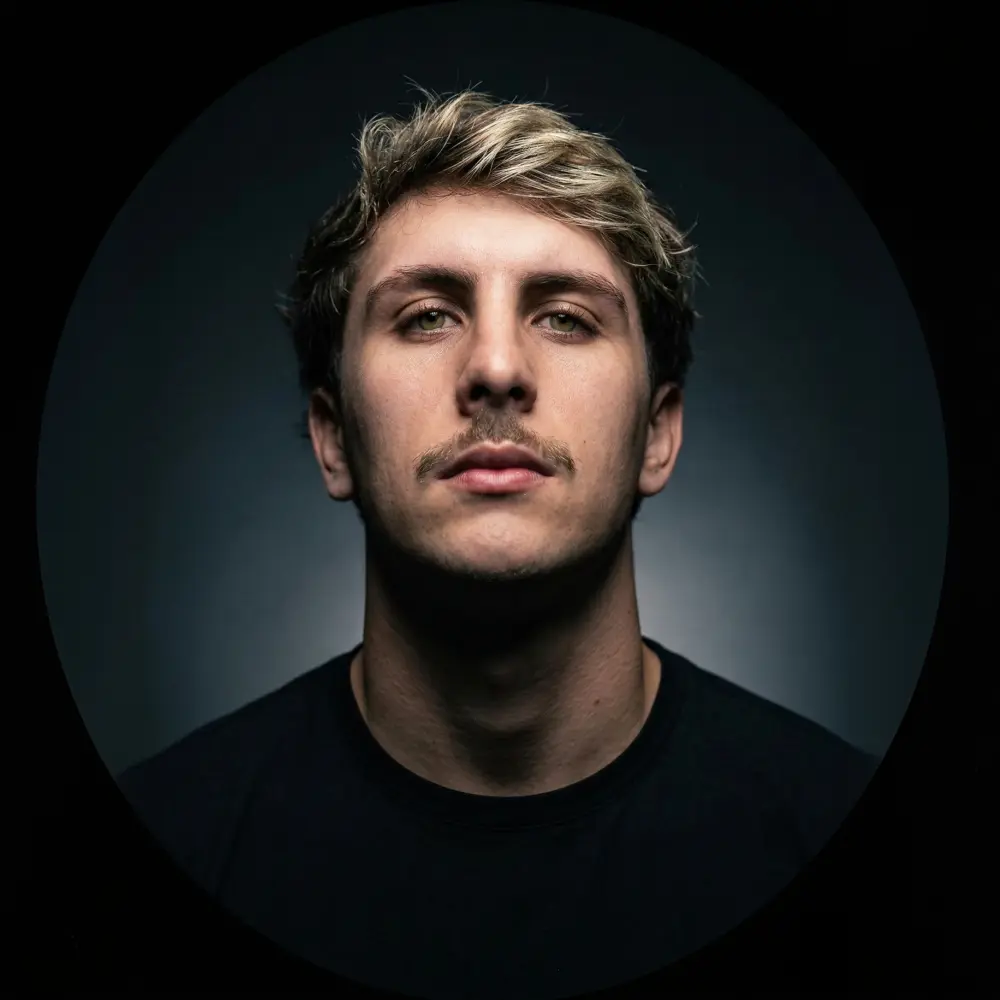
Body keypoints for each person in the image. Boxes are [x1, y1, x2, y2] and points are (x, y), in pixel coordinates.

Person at [119, 87, 878, 999]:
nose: (496, 368)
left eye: (565, 316)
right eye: (426, 314)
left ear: (656, 435)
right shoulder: (170, 838)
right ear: (334, 438)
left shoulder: (833, 828)